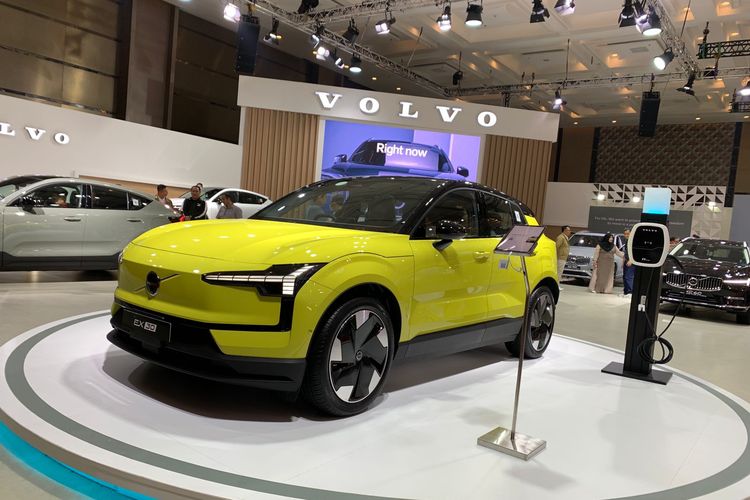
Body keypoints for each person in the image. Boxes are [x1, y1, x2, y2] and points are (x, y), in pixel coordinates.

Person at [622, 229, 635, 297]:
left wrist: (631, 260)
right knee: (625, 276)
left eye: (628, 233)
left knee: (629, 276)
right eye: (625, 234)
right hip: (626, 260)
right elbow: (626, 252)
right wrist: (623, 261)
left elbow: (635, 252)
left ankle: (630, 292)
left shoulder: (633, 241)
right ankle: (626, 292)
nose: (626, 235)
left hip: (631, 262)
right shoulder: (627, 241)